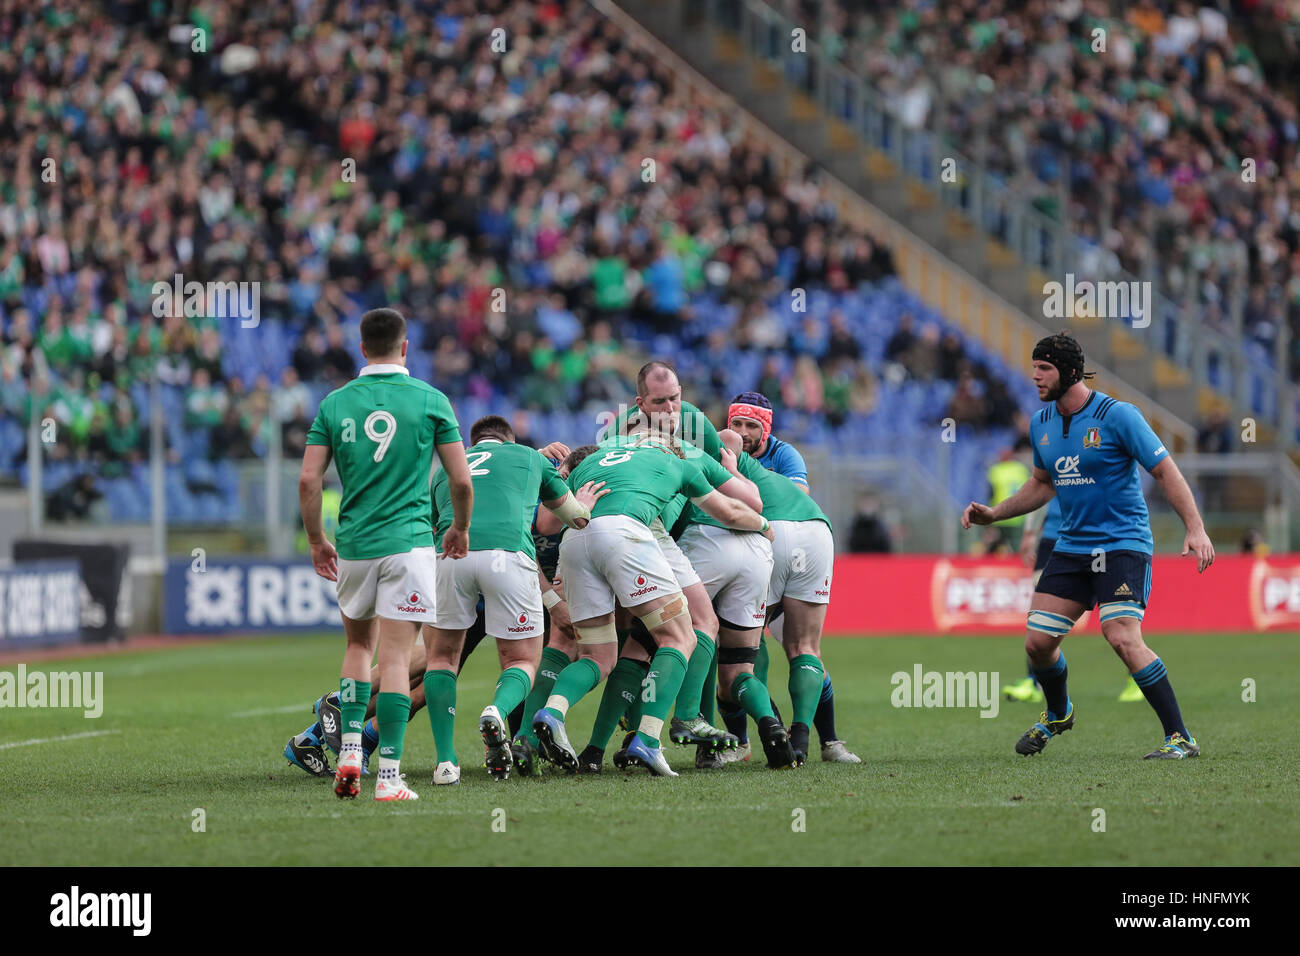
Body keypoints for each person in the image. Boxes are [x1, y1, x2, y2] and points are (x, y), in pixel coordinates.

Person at [962, 332, 1215, 760]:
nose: (1035, 376)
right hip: (1073, 546)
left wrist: (1195, 527)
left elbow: (1165, 471)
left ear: (1071, 372)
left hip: (1122, 543)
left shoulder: (1119, 416)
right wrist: (996, 513)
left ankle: (1180, 737)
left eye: (1045, 368)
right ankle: (1059, 713)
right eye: (1035, 366)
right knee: (1037, 643)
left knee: (1120, 635)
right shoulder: (1042, 423)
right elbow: (1042, 485)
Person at [531, 416, 775, 778]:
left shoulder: (595, 457)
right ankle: (648, 738)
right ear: (668, 444)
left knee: (598, 655)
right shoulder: (676, 461)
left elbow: (550, 515)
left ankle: (552, 712)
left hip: (577, 539)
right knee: (680, 635)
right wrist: (765, 526)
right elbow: (731, 511)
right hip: (626, 535)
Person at [299, 307, 472, 802]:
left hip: (354, 545)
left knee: (358, 649)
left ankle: (350, 749)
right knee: (397, 656)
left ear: (360, 348)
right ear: (405, 348)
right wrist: (459, 528)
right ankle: (390, 777)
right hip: (410, 543)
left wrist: (316, 540)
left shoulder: (334, 403)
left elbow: (309, 479)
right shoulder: (431, 400)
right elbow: (460, 479)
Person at [421, 415, 605, 785]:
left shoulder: (446, 467)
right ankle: (497, 710)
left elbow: (430, 523)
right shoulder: (529, 457)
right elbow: (574, 517)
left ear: (475, 442)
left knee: (441, 659)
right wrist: (583, 504)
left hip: (450, 557)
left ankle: (445, 763)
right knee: (521, 659)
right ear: (510, 439)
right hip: (507, 558)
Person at [722, 390, 860, 764]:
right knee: (804, 649)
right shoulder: (761, 455)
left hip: (769, 539)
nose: (744, 432)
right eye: (737, 423)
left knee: (738, 646)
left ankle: (748, 740)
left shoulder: (780, 454)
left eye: (752, 425)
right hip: (814, 533)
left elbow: (789, 495)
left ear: (767, 429)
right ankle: (816, 742)